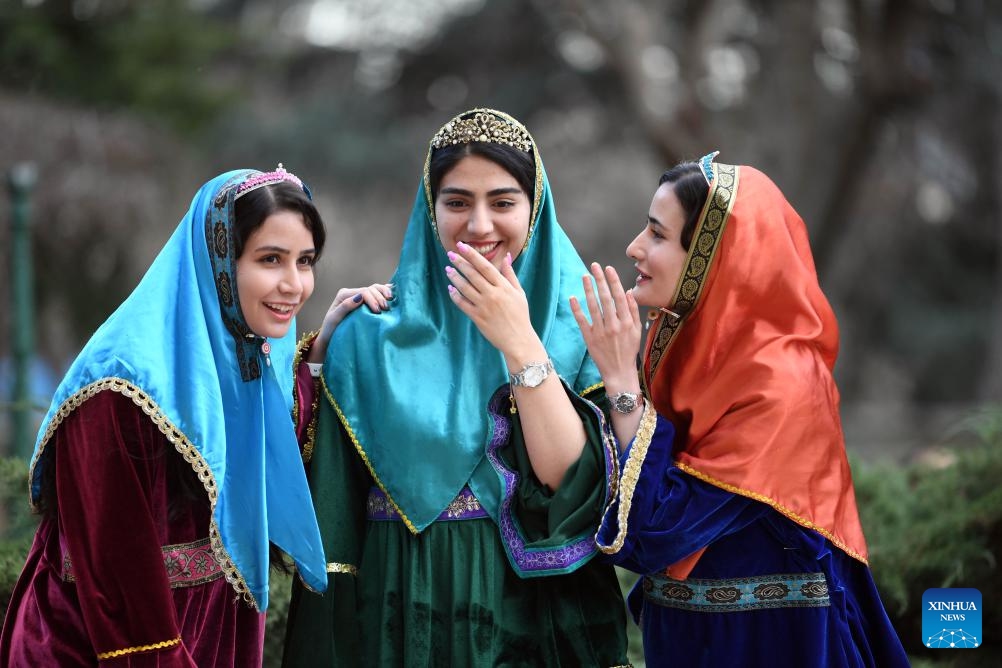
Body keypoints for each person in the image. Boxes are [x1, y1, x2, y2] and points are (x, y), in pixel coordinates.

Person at [282, 108, 630, 667]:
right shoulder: (368, 339)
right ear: (429, 207)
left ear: (535, 205)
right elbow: (330, 524)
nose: (480, 225)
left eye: (503, 201)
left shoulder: (581, 327)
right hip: (398, 616)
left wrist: (519, 342)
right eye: (457, 202)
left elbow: (569, 488)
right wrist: (320, 354)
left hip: (533, 618)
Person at [0, 166, 371, 666]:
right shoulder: (116, 390)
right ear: (218, 261)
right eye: (270, 259)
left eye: (305, 261)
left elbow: (269, 438)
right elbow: (122, 590)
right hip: (105, 647)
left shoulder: (241, 351)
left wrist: (322, 349)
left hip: (214, 628)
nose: (294, 284)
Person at [571, 153, 911, 667]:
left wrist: (621, 382)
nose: (635, 247)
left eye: (659, 235)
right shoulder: (685, 354)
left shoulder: (783, 385)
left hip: (768, 646)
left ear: (715, 258)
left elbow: (656, 532)